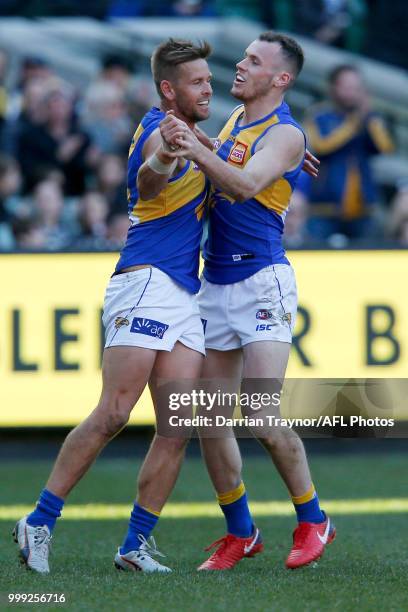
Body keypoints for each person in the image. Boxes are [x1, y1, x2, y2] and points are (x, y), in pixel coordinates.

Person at [13, 38, 212, 574]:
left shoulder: (195, 134)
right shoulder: (159, 129)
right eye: (197, 81)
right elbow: (150, 179)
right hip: (145, 280)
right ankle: (39, 519)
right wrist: (170, 152)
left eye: (210, 79)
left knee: (177, 425)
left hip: (183, 292)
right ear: (169, 90)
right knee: (114, 413)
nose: (209, 87)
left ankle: (135, 543)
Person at [160, 31, 335, 570]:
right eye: (243, 56)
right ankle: (242, 531)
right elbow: (237, 161)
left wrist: (194, 145)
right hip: (217, 284)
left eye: (253, 61)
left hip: (263, 282)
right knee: (209, 418)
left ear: (280, 79)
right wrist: (204, 143)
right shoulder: (240, 123)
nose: (239, 65)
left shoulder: (285, 134)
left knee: (260, 415)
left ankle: (313, 519)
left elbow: (240, 187)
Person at [303, 64, 394, 242]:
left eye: (356, 87)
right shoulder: (319, 116)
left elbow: (385, 148)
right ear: (333, 87)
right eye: (347, 86)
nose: (352, 92)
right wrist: (354, 122)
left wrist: (372, 119)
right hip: (324, 208)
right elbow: (321, 146)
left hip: (363, 210)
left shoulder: (369, 118)